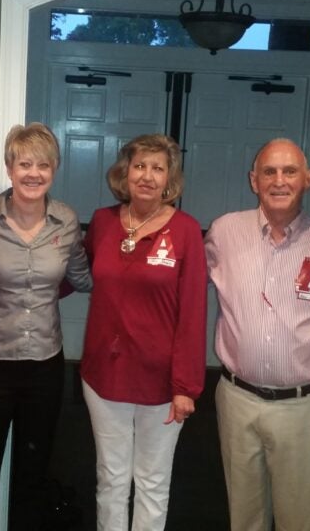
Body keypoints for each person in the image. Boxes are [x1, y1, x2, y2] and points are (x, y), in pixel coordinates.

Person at [0, 123, 92, 530]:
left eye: (43, 164)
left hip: (44, 367)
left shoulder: (66, 221)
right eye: (25, 164)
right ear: (9, 167)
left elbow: (83, 277)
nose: (34, 173)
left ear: (54, 169)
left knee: (33, 473)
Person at [205, 138, 310, 531]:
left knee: (304, 518)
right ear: (254, 180)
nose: (279, 181)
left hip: (303, 408)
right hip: (237, 400)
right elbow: (179, 286)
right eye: (269, 172)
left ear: (308, 179)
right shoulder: (224, 231)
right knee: (244, 517)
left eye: (290, 171)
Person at [81, 133, 207, 531]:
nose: (147, 176)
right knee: (111, 479)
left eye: (158, 168)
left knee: (152, 482)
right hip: (104, 374)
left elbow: (193, 311)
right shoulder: (102, 222)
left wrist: (185, 384)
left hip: (160, 380)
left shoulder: (186, 231)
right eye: (140, 166)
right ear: (125, 172)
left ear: (169, 178)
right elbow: (77, 274)